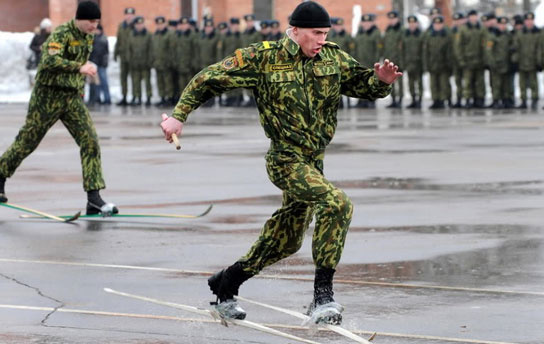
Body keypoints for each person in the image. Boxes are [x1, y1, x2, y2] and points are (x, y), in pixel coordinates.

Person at [159, 1, 401, 324]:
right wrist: (178, 116)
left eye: (326, 34)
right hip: (285, 159)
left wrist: (381, 81)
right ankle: (322, 297)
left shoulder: (332, 57)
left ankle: (227, 282)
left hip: (314, 162)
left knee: (286, 239)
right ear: (296, 30)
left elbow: (362, 84)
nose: (321, 40)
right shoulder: (264, 58)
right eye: (316, 33)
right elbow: (210, 78)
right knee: (337, 203)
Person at [0, 1, 118, 215]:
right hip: (48, 96)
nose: (94, 26)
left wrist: (80, 85)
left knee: (90, 140)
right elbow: (48, 62)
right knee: (27, 142)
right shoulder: (61, 34)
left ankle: (94, 198)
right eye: (91, 21)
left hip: (71, 98)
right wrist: (79, 67)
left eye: (97, 22)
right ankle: (0, 176)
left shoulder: (88, 36)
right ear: (80, 19)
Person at [128, 16, 153, 106]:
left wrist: (150, 61)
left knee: (147, 82)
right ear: (135, 25)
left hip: (145, 63)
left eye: (141, 24)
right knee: (136, 81)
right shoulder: (131, 35)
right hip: (135, 63)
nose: (139, 26)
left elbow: (151, 49)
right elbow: (129, 49)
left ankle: (148, 97)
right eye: (138, 24)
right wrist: (130, 60)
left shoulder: (148, 34)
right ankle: (137, 97)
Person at [114, 7, 136, 106]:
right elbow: (118, 41)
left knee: (134, 77)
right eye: (127, 14)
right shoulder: (121, 26)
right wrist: (115, 53)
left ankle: (135, 97)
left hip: (133, 56)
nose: (129, 16)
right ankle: (124, 97)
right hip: (123, 56)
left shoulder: (136, 26)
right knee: (123, 77)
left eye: (131, 15)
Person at [403, 15, 423, 109]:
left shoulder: (421, 34)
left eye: (413, 23)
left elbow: (424, 50)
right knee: (410, 83)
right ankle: (413, 100)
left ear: (417, 23)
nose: (412, 25)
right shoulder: (405, 34)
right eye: (410, 23)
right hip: (408, 62)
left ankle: (420, 100)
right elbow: (402, 49)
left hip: (418, 63)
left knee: (419, 83)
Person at [88, 24, 111, 105]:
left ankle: (107, 99)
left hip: (101, 64)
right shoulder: (92, 39)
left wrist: (105, 62)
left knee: (104, 82)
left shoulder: (103, 39)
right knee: (95, 83)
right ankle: (97, 98)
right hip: (94, 64)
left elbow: (106, 52)